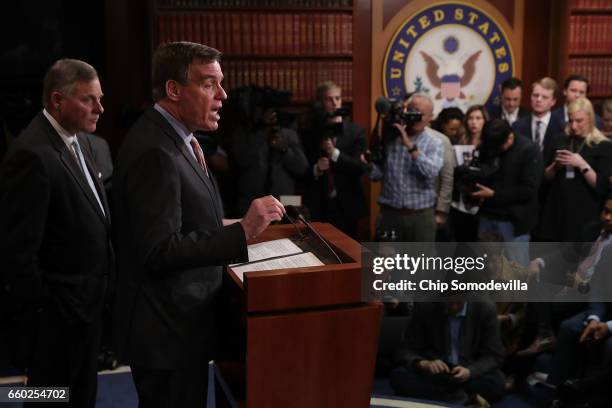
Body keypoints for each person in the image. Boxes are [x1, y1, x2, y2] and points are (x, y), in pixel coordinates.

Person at [112, 42, 284, 408]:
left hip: (184, 326)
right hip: (166, 333)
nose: (223, 95)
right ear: (174, 89)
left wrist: (239, 222)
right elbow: (159, 250)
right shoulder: (155, 150)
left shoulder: (178, 138)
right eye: (209, 84)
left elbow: (188, 219)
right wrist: (242, 232)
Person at [0, 58, 112, 407]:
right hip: (55, 323)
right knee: (47, 400)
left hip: (86, 313)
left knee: (81, 399)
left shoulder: (87, 144)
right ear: (57, 100)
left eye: (100, 98)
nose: (100, 108)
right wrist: (49, 313)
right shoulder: (31, 154)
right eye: (88, 100)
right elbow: (18, 253)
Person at [390, 301, 506, 405]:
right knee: (399, 376)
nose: (454, 305)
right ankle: (458, 399)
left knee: (497, 382)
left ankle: (445, 398)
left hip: (468, 373)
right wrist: (424, 363)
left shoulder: (485, 308)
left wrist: (470, 371)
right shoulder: (425, 306)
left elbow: (494, 355)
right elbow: (405, 349)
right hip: (433, 373)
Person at [366, 93, 443, 242]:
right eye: (412, 110)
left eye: (419, 113)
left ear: (430, 117)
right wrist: (368, 165)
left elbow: (431, 172)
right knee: (387, 263)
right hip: (390, 215)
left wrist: (409, 145)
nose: (414, 116)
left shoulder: (435, 142)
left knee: (419, 264)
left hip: (420, 216)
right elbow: (376, 176)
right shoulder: (390, 137)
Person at [472, 119, 542, 266]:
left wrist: (494, 194)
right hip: (487, 216)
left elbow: (528, 190)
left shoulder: (529, 150)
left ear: (510, 137)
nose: (496, 151)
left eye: (499, 147)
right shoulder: (489, 145)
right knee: (484, 271)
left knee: (516, 273)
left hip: (513, 222)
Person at [540, 98, 612, 242]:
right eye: (571, 120)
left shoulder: (602, 145)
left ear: (590, 119)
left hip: (585, 213)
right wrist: (555, 166)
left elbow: (601, 186)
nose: (573, 126)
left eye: (579, 121)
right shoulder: (559, 139)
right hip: (557, 210)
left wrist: (582, 165)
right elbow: (545, 177)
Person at [303, 81, 367, 238]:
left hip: (348, 205)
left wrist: (334, 153)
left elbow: (359, 168)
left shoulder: (356, 131)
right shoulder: (310, 131)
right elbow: (301, 169)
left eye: (337, 98)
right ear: (320, 103)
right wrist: (316, 169)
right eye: (329, 99)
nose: (334, 103)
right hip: (319, 206)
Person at [230, 87, 308, 216]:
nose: (267, 114)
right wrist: (262, 133)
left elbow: (302, 168)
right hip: (251, 204)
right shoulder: (242, 133)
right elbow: (240, 161)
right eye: (261, 109)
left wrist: (284, 149)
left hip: (285, 202)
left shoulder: (288, 133)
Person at [449, 105, 488, 242]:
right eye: (471, 118)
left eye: (478, 118)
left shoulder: (489, 143)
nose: (474, 122)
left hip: (482, 202)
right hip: (459, 201)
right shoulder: (457, 141)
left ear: (485, 121)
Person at [512, 77, 565, 163]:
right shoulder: (517, 126)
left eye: (545, 97)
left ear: (553, 101)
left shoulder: (561, 127)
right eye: (535, 95)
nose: (539, 100)